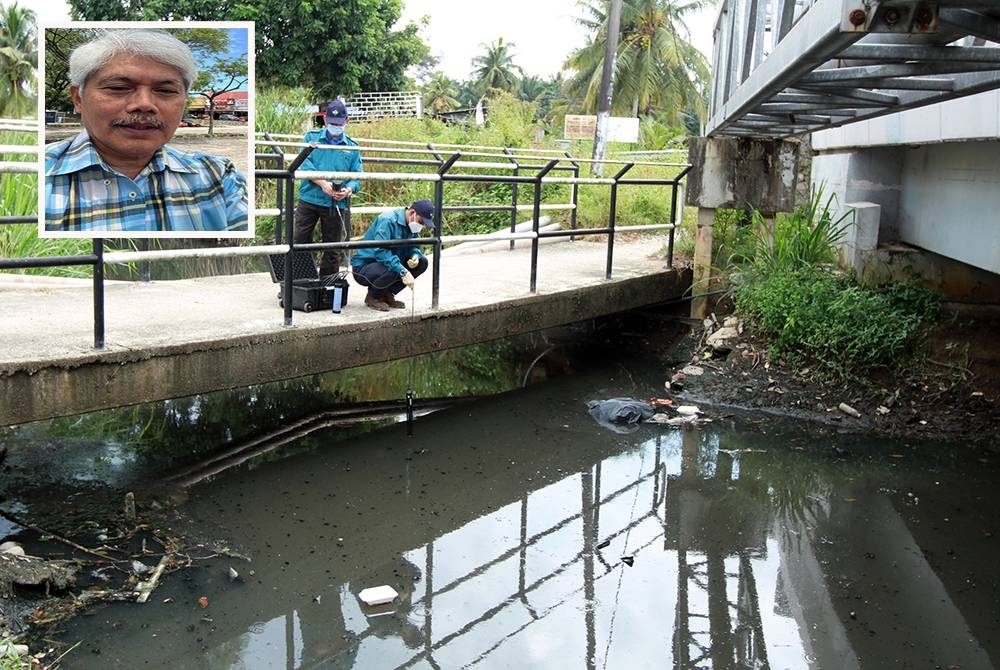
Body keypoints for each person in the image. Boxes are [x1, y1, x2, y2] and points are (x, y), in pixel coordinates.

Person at [44, 28, 248, 233]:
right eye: (118, 87)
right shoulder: (35, 177)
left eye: (165, 91)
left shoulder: (217, 177)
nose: (144, 104)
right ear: (78, 98)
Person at [294, 100, 363, 278]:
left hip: (335, 204)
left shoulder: (352, 147)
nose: (335, 128)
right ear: (325, 120)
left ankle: (327, 286)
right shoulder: (312, 138)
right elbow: (304, 164)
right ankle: (299, 283)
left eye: (339, 124)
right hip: (310, 198)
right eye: (332, 124)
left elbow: (358, 176)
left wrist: (348, 190)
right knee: (300, 241)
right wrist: (323, 183)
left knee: (332, 248)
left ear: (346, 121)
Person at [351, 199, 436, 311]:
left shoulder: (412, 224)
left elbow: (413, 246)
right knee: (391, 268)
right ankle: (373, 297)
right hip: (365, 266)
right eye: (421, 222)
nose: (421, 226)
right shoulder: (387, 220)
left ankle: (387, 293)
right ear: (412, 213)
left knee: (422, 262)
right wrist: (403, 270)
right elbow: (380, 252)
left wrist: (415, 256)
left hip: (388, 263)